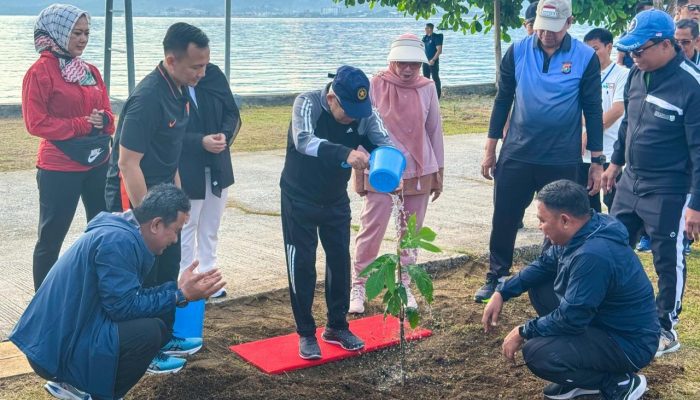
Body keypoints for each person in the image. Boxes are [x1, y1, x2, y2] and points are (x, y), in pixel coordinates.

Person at [10, 184, 226, 400]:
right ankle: (88, 389)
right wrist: (180, 296)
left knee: (157, 329)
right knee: (149, 333)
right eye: (176, 231)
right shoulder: (118, 242)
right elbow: (123, 308)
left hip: (57, 340)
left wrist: (178, 288)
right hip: (53, 353)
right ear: (156, 225)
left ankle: (79, 383)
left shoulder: (121, 231)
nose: (175, 240)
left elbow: (126, 297)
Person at [475, 0, 604, 303]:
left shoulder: (585, 57)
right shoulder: (518, 51)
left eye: (554, 30)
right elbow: (502, 100)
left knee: (560, 220)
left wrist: (596, 160)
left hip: (560, 157)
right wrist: (490, 148)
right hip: (518, 153)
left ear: (569, 22)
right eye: (542, 28)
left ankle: (550, 274)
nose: (546, 35)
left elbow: (593, 110)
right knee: (505, 217)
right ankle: (497, 275)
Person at [482, 180, 658, 400]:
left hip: (628, 343)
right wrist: (502, 291)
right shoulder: (586, 230)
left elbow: (571, 318)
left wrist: (523, 330)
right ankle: (586, 380)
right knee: (540, 287)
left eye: (542, 220)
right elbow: (544, 264)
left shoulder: (592, 255)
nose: (539, 227)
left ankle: (619, 382)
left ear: (565, 220)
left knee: (539, 354)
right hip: (605, 324)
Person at [104, 22, 210, 369]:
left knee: (168, 268)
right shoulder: (147, 98)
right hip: (136, 199)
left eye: (205, 65)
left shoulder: (182, 91)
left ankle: (164, 337)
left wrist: (178, 207)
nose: (201, 72)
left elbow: (172, 154)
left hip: (165, 198)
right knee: (143, 277)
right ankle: (144, 351)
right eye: (196, 66)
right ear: (171, 60)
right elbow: (127, 163)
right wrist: (150, 219)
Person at [601, 9, 700, 358]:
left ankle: (665, 328)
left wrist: (695, 205)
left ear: (664, 44)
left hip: (670, 187)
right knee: (611, 244)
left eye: (639, 51)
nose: (633, 57)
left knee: (666, 259)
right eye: (630, 52)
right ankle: (615, 311)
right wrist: (614, 164)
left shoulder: (691, 85)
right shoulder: (635, 76)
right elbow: (628, 124)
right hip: (631, 179)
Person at [280, 65, 394, 360]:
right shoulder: (307, 103)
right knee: (302, 263)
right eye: (349, 110)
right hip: (299, 198)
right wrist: (344, 153)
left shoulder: (363, 112)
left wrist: (392, 171)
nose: (356, 117)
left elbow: (385, 143)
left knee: (340, 261)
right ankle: (306, 332)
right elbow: (303, 140)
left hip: (334, 199)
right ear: (332, 99)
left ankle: (337, 326)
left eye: (360, 109)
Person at [349, 33, 444, 314]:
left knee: (410, 233)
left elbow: (434, 131)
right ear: (392, 60)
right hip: (382, 168)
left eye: (413, 65)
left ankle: (403, 284)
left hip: (419, 168)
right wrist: (360, 175)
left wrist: (438, 173)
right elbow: (361, 128)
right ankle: (359, 285)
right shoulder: (375, 84)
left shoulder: (427, 87)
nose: (407, 70)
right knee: (371, 229)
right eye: (401, 63)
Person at [22, 4, 115, 291]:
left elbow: (109, 118)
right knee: (51, 238)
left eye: (86, 32)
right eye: (76, 32)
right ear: (59, 32)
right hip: (59, 167)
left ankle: (99, 292)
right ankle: (45, 302)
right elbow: (35, 123)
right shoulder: (39, 72)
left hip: (98, 162)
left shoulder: (90, 71)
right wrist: (80, 125)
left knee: (103, 232)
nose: (83, 39)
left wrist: (104, 120)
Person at [178, 62, 241, 299]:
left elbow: (232, 112)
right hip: (187, 165)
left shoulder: (214, 76)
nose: (201, 72)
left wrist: (223, 134)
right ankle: (185, 278)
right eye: (196, 65)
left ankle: (209, 276)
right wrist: (200, 141)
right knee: (187, 224)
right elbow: (168, 130)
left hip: (217, 164)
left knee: (210, 226)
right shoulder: (175, 84)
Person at [577, 28, 629, 213]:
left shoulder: (622, 74)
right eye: (587, 50)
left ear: (609, 47)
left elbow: (617, 110)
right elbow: (578, 108)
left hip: (610, 149)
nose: (591, 54)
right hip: (583, 152)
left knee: (615, 202)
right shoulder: (581, 74)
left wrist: (589, 133)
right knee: (586, 203)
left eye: (595, 49)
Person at [617, 1, 655, 68]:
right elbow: (619, 62)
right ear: (639, 14)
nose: (652, 15)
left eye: (653, 12)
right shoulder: (627, 36)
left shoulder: (657, 35)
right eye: (649, 13)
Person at [422, 23, 443, 98]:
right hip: (425, 61)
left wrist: (433, 60)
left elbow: (439, 50)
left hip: (433, 61)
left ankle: (437, 96)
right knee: (425, 78)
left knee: (435, 78)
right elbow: (421, 47)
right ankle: (427, 95)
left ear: (429, 29)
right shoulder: (425, 38)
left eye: (426, 28)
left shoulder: (436, 37)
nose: (425, 30)